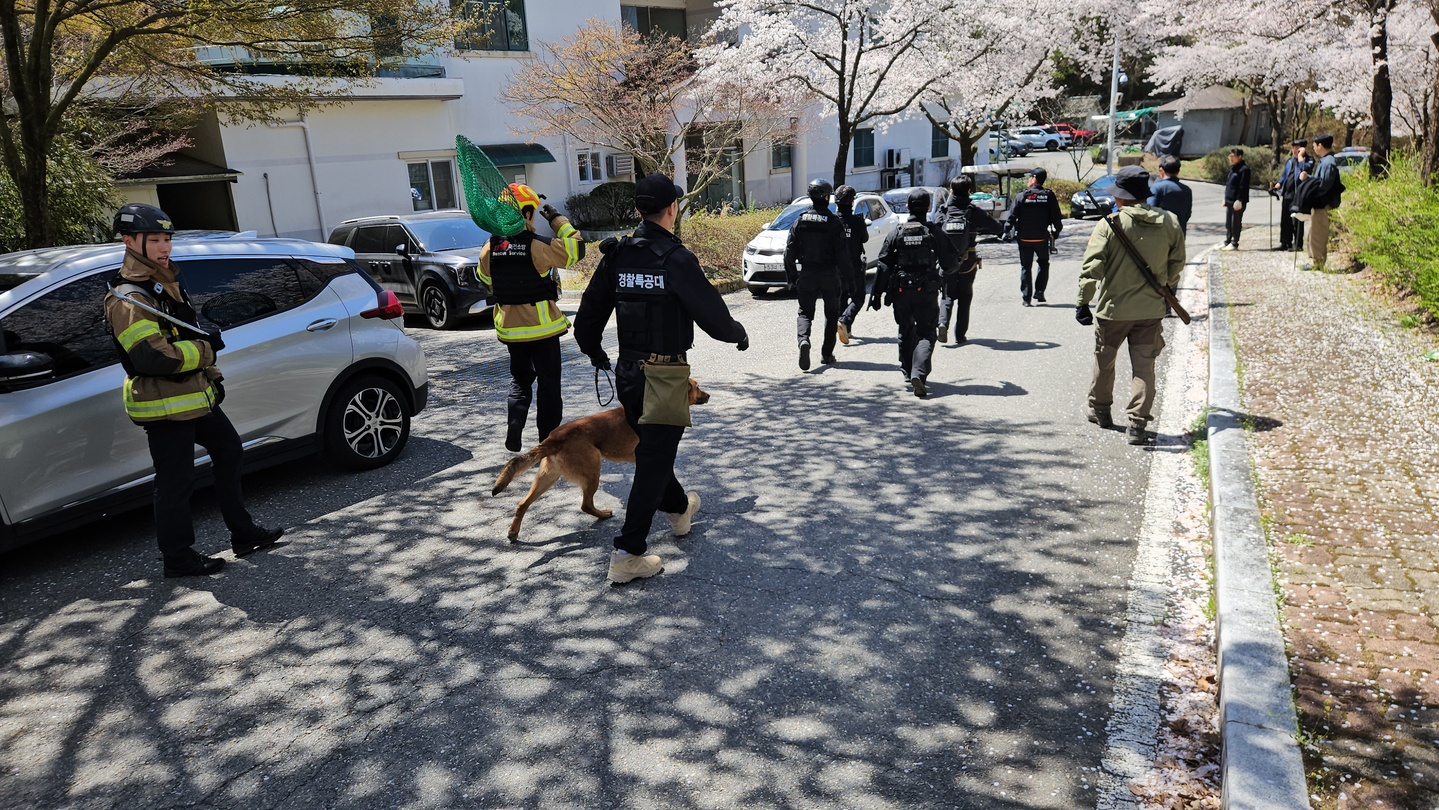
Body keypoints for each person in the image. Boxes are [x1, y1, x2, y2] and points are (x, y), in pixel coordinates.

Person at [573, 175, 750, 584]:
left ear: (638, 210)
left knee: (654, 450)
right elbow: (714, 317)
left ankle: (678, 508)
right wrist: (738, 333)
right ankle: (627, 552)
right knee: (653, 458)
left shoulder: (616, 256)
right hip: (665, 377)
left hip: (629, 374)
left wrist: (596, 353)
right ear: (673, 208)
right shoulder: (674, 258)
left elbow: (586, 319)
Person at [104, 204, 282, 577]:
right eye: (154, 240)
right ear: (128, 241)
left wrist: (211, 374)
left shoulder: (166, 281)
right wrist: (207, 351)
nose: (164, 247)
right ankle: (178, 557)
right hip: (163, 401)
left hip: (193, 393)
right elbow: (153, 358)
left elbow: (187, 333)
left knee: (230, 450)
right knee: (176, 480)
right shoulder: (127, 298)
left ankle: (243, 533)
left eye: (167, 239)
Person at [1076, 166, 1185, 445]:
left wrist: (1082, 302)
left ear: (1121, 197)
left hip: (1113, 310)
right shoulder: (1170, 222)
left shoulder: (1109, 224)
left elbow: (1092, 268)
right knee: (1144, 367)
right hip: (1151, 310)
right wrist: (1164, 285)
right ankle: (1137, 425)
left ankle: (1100, 411)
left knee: (1105, 359)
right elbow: (1176, 265)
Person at [478, 183, 586, 452]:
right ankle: (547, 442)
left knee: (520, 380)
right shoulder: (538, 246)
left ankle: (515, 424)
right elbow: (577, 249)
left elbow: (486, 281)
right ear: (526, 214)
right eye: (534, 212)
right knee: (549, 385)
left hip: (511, 332)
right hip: (543, 330)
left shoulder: (488, 248)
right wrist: (556, 219)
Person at [869, 188, 958, 398]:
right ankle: (919, 372)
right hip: (926, 291)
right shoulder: (934, 231)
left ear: (907, 207)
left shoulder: (897, 232)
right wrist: (943, 274)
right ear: (928, 207)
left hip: (900, 291)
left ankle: (908, 372)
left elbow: (883, 265)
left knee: (905, 330)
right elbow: (952, 262)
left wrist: (877, 295)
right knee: (926, 333)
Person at [783, 178, 853, 369]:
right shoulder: (833, 222)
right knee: (831, 314)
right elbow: (843, 256)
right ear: (826, 197)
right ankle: (826, 354)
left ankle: (803, 341)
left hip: (807, 274)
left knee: (805, 312)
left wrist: (792, 277)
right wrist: (851, 281)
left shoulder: (800, 220)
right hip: (829, 275)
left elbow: (789, 252)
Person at [933, 176, 1004, 344]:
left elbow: (934, 229)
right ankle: (960, 335)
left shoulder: (943, 211)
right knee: (965, 296)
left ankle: (943, 323)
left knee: (947, 295)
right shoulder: (973, 211)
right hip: (968, 260)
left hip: (947, 262)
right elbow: (997, 227)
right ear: (969, 191)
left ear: (951, 191)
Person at [1005, 167, 1064, 305]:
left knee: (1026, 267)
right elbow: (1057, 218)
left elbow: (1011, 217)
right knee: (1043, 264)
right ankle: (1039, 292)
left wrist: (1005, 231)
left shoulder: (1022, 196)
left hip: (1024, 238)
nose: (1028, 180)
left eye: (1030, 177)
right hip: (1042, 238)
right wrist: (1056, 233)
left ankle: (1026, 298)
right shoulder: (1048, 196)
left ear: (1034, 178)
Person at [1300, 133, 1342, 270]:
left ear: (1320, 145)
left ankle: (1317, 262)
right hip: (1319, 204)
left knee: (1318, 233)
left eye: (1315, 146)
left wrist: (1312, 193)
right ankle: (1313, 260)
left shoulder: (1329, 163)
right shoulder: (1325, 161)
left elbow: (1324, 185)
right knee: (1313, 232)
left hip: (1323, 204)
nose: (1314, 149)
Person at [834, 184, 869, 346]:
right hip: (854, 265)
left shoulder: (833, 221)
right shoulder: (857, 221)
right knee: (859, 297)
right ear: (852, 202)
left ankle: (845, 329)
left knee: (842, 297)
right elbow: (864, 239)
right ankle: (844, 321)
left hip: (836, 266)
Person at [1274, 139, 1314, 251]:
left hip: (1298, 194)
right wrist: (1278, 184)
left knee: (1297, 220)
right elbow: (1284, 175)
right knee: (1285, 219)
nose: (1294, 150)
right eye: (1293, 148)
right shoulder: (1290, 161)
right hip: (1287, 193)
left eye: (1297, 148)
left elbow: (1305, 171)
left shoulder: (1308, 160)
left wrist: (1301, 157)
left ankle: (1297, 243)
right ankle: (1285, 242)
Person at [1147, 157, 1193, 233]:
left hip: (1160, 233)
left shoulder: (1156, 188)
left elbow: (1149, 211)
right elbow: (1187, 214)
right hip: (1179, 232)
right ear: (1178, 171)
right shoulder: (1187, 190)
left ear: (1161, 171)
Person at [1222, 148, 1251, 250]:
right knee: (1228, 222)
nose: (1231, 158)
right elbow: (1229, 185)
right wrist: (1225, 198)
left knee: (1236, 222)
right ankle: (1228, 240)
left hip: (1238, 200)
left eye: (1233, 156)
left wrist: (1239, 199)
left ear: (1239, 157)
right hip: (1230, 199)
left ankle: (1235, 242)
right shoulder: (1232, 169)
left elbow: (1243, 186)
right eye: (1230, 156)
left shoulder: (1244, 170)